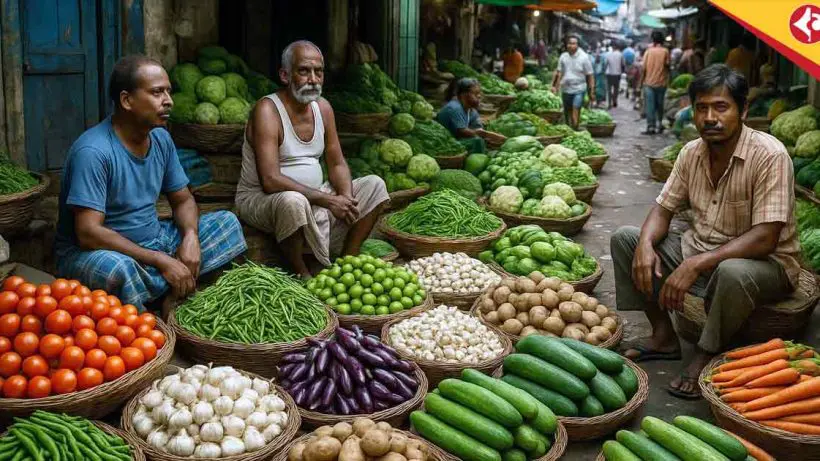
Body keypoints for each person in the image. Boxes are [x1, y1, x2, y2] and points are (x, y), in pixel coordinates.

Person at [611, 65, 799, 399]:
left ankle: (707, 351)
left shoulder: (770, 155)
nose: (710, 117)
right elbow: (663, 209)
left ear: (743, 110)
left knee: (731, 271)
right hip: (700, 250)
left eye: (721, 107)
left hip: (764, 265)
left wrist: (696, 264)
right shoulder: (691, 153)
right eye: (701, 108)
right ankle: (663, 336)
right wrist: (644, 244)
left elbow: (766, 237)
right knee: (626, 238)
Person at [55, 55, 248, 312]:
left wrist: (190, 237)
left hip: (156, 240)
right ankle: (167, 293)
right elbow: (89, 233)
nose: (168, 101)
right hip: (101, 253)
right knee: (117, 270)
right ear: (127, 100)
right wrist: (159, 260)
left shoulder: (160, 138)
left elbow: (183, 199)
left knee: (227, 223)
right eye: (157, 93)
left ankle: (165, 291)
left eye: (168, 91)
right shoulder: (93, 151)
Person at [236, 41, 389, 279]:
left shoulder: (323, 108)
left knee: (375, 186)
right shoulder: (267, 110)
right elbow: (270, 180)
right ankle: (302, 274)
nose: (313, 79)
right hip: (262, 198)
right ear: (285, 75)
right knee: (293, 201)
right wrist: (328, 200)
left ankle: (346, 263)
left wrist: (346, 197)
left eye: (319, 72)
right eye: (304, 71)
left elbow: (336, 163)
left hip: (315, 194)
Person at [436, 78, 505, 153]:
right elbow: (463, 132)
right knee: (477, 141)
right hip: (446, 144)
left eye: (479, 93)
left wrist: (489, 135)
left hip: (459, 140)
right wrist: (487, 135)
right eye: (475, 94)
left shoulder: (471, 110)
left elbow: (477, 126)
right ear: (464, 95)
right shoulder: (454, 108)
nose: (479, 96)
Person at [552, 35, 595, 130]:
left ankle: (575, 128)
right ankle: (569, 128)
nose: (571, 45)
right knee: (567, 110)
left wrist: (591, 91)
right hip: (566, 88)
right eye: (569, 43)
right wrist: (554, 86)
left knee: (576, 107)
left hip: (579, 88)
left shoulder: (584, 57)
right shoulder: (563, 56)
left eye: (573, 43)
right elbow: (559, 72)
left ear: (577, 45)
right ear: (566, 45)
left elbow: (590, 75)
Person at [640, 31, 671, 134]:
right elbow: (668, 66)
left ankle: (651, 127)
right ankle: (659, 124)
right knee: (660, 105)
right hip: (661, 83)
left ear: (653, 40)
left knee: (650, 106)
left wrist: (640, 83)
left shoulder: (648, 51)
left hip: (649, 83)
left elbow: (643, 69)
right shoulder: (665, 51)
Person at [605, 43, 626, 109]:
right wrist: (622, 71)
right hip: (617, 74)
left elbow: (606, 64)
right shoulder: (620, 54)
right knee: (616, 88)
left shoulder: (608, 54)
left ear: (613, 47)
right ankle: (614, 101)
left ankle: (609, 103)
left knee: (609, 89)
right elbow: (623, 64)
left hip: (609, 73)